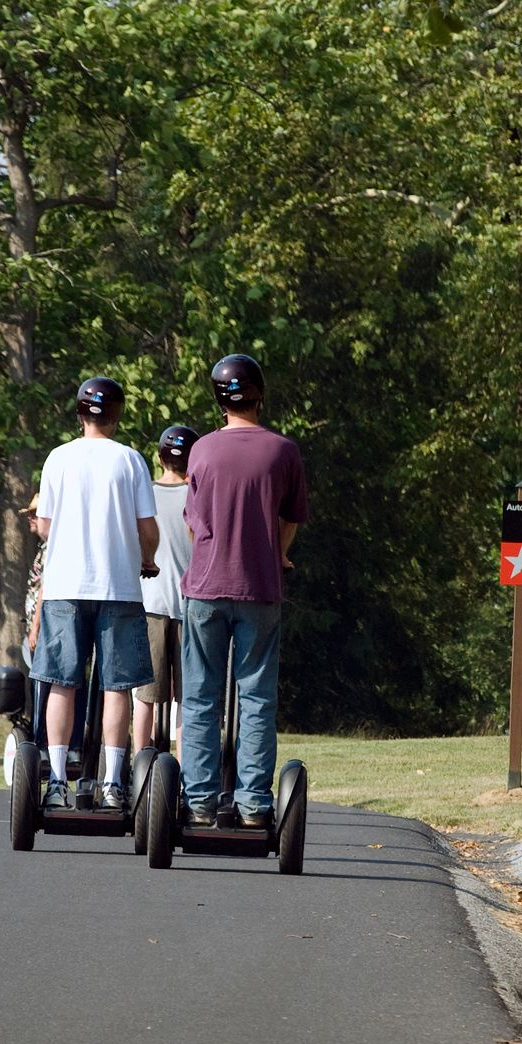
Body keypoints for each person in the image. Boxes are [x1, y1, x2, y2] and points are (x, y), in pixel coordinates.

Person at [178, 354, 308, 827]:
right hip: (260, 590)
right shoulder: (282, 451)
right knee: (256, 698)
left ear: (217, 399)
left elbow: (193, 525)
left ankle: (199, 800)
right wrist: (278, 552)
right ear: (260, 393)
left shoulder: (202, 452)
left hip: (207, 589)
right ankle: (254, 803)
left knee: (200, 698)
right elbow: (291, 517)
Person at [30, 376, 159, 811]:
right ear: (117, 415)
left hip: (66, 585)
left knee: (62, 683)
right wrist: (147, 558)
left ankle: (57, 781)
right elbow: (147, 528)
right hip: (118, 586)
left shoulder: (57, 458)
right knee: (116, 686)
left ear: (80, 414)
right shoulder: (131, 461)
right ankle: (111, 782)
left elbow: (44, 524)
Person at [134, 425, 197, 755]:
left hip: (151, 604)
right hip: (190, 606)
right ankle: (188, 775)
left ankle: (137, 766)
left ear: (160, 457)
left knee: (145, 696)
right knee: (188, 700)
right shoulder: (198, 497)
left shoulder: (145, 496)